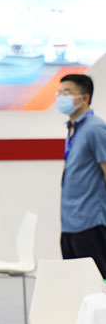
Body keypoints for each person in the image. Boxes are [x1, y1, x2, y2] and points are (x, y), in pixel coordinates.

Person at [57, 73, 106, 277]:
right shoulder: (73, 129)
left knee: (97, 282)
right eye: (59, 93)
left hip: (90, 222)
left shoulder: (95, 128)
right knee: (76, 283)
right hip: (70, 223)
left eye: (67, 93)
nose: (61, 98)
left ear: (84, 98)